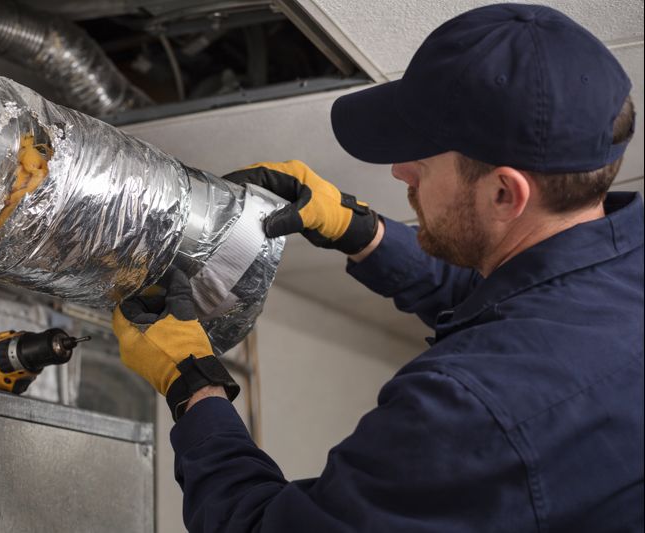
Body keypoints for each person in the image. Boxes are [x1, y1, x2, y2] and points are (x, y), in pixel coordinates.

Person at [112, 3, 643, 532]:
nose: (399, 171)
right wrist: (361, 231)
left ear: (505, 192)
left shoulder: (471, 413)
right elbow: (517, 298)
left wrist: (192, 386)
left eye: (423, 160)